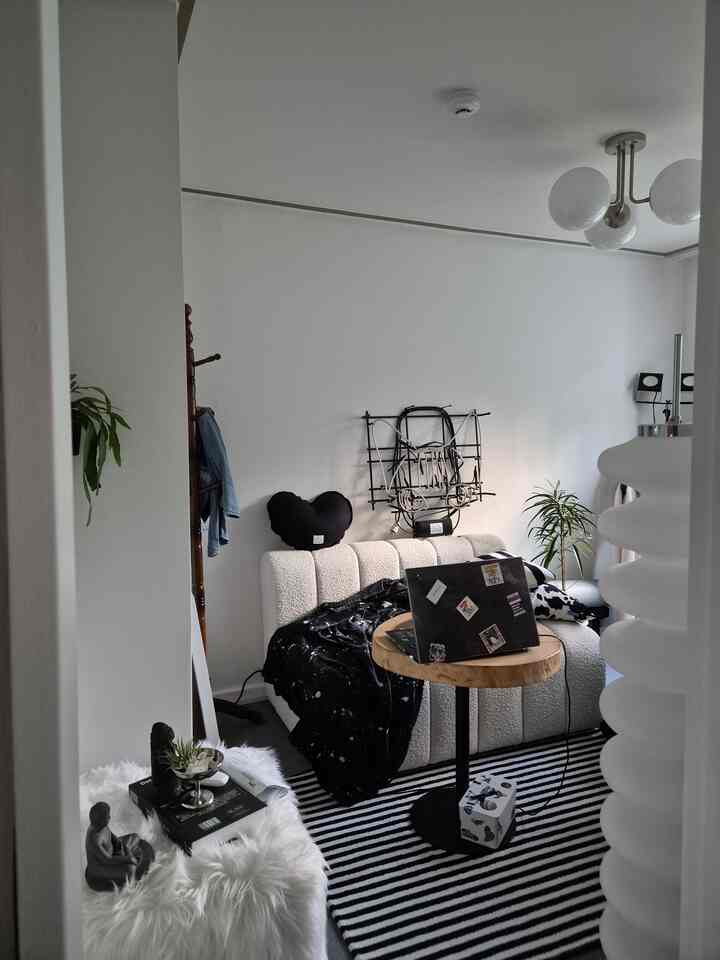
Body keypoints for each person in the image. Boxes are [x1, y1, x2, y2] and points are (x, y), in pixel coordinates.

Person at [85, 801, 154, 892]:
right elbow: (107, 860)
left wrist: (124, 848)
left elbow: (113, 838)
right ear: (100, 820)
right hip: (100, 869)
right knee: (130, 869)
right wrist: (128, 859)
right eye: (107, 816)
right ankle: (130, 888)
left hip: (111, 853)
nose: (110, 817)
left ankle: (126, 861)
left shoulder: (101, 826)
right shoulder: (94, 840)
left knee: (135, 837)